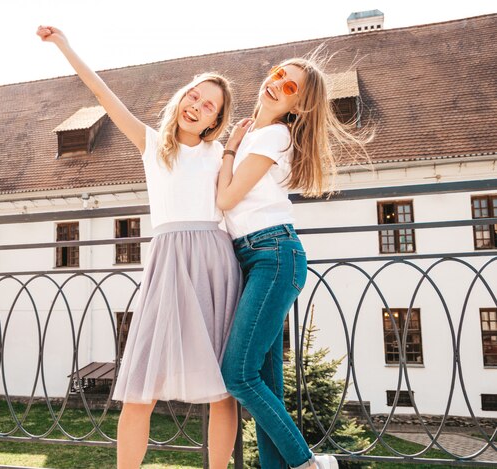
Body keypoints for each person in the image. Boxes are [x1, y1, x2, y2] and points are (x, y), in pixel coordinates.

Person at [37, 26, 241, 469]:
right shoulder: (153, 145)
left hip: (214, 262)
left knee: (225, 387)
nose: (198, 106)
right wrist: (65, 46)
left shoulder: (220, 152)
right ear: (182, 98)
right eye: (195, 95)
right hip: (167, 263)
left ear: (214, 121)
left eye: (210, 106)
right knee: (140, 385)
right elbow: (103, 93)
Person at [217, 58, 370, 469]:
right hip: (255, 259)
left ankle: (307, 464)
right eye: (278, 75)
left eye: (290, 88)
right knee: (265, 383)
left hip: (273, 256)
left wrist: (229, 146)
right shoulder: (255, 132)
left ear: (298, 107)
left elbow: (226, 199)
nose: (277, 85)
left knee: (238, 375)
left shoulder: (272, 135)